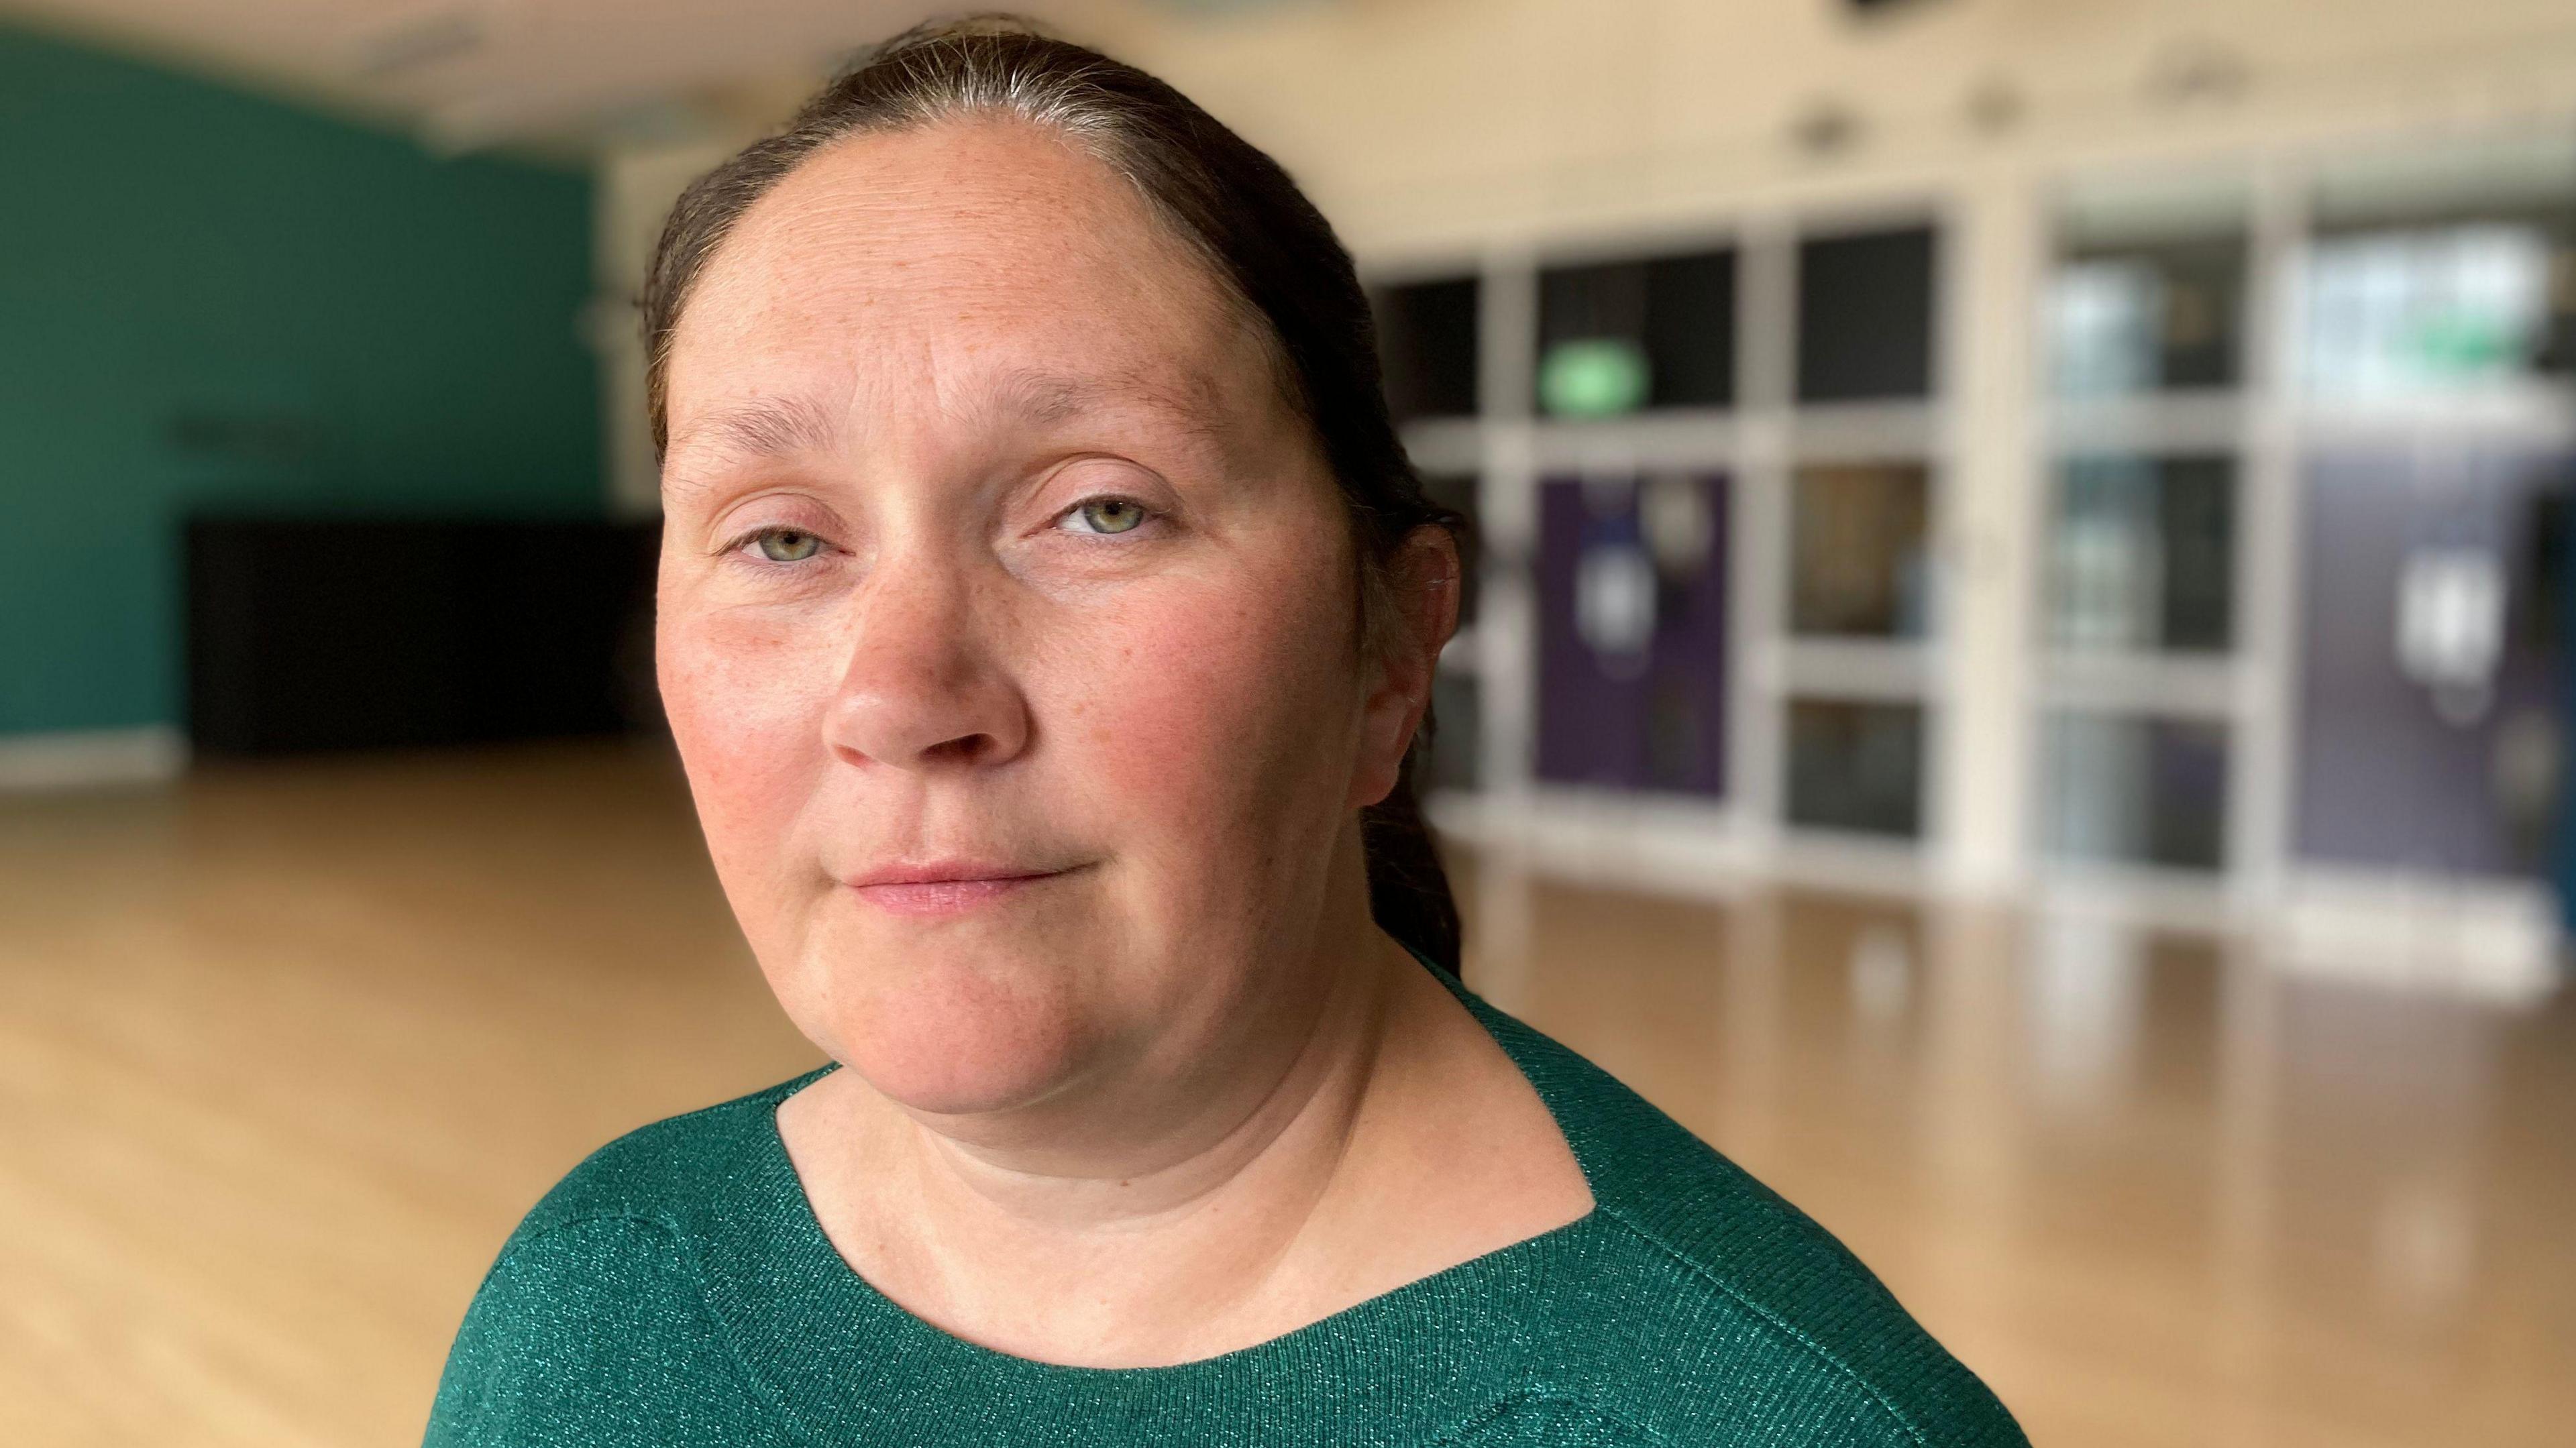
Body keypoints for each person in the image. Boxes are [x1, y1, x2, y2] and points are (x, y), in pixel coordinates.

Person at [423, 17, 2027, 1447]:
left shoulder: (1780, 1417)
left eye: (1098, 509)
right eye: (782, 538)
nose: (905, 697)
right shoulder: (594, 1308)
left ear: (1388, 650)